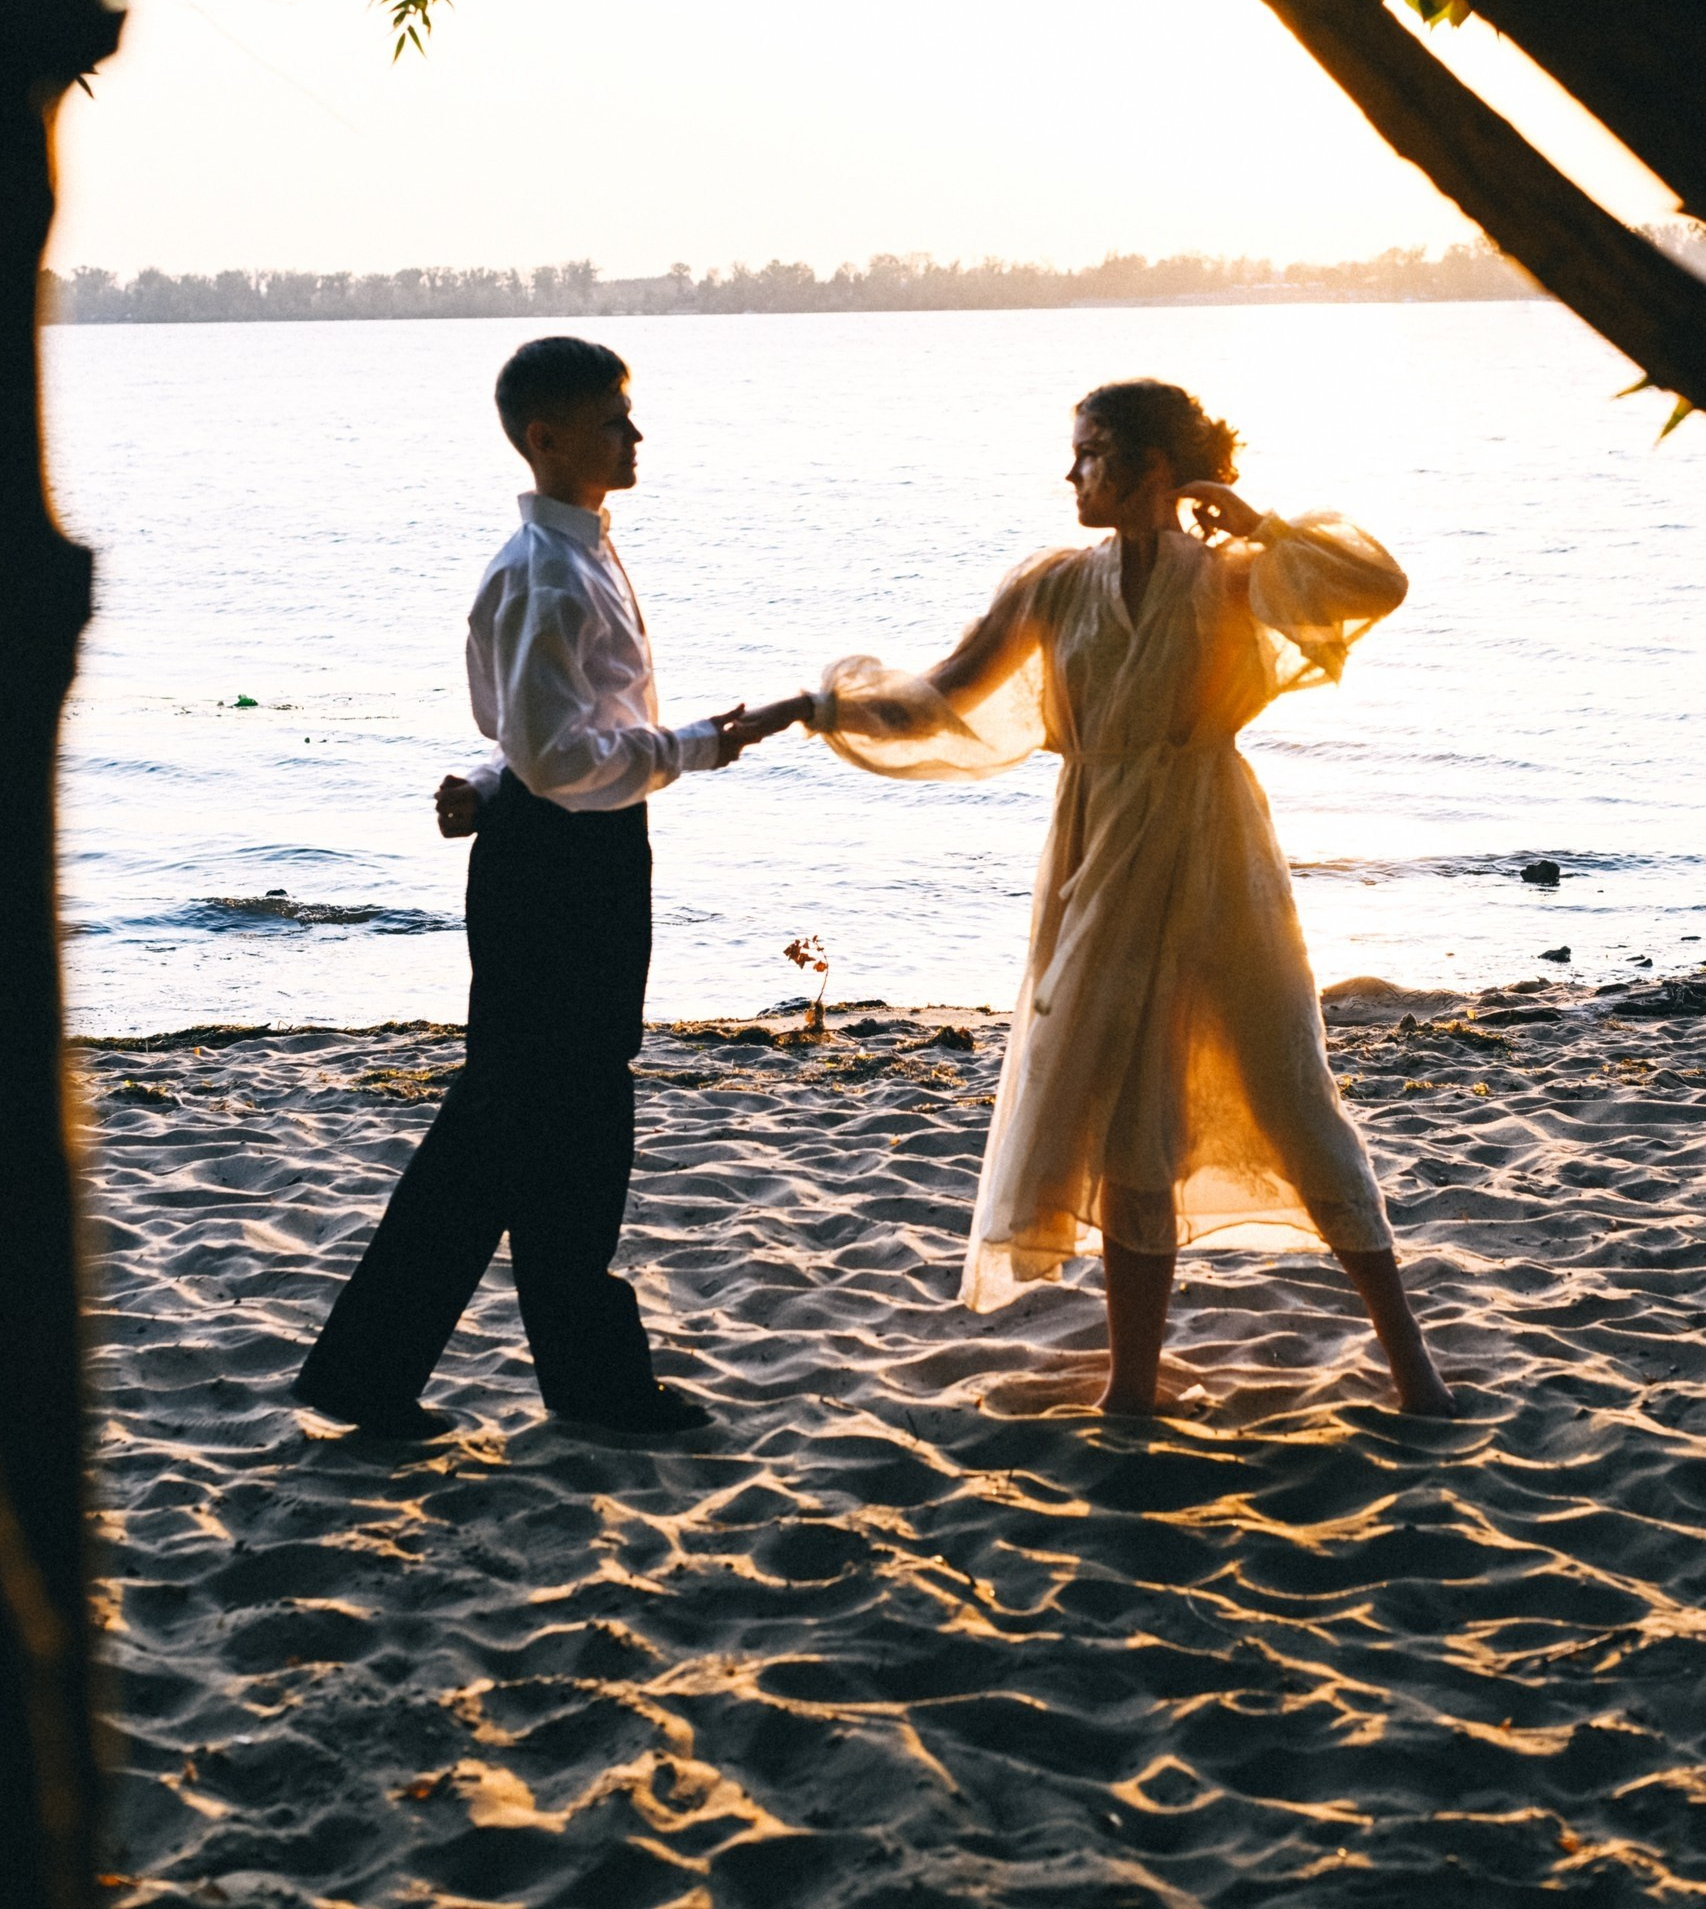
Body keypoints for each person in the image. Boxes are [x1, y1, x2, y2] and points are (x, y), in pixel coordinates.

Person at [806, 378, 1455, 1419]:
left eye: (1094, 453)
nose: (1073, 474)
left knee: (1288, 1089)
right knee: (1130, 1116)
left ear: (1154, 467)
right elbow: (942, 693)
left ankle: (1410, 1363)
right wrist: (825, 703)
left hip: (1212, 846)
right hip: (1097, 856)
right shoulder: (1053, 587)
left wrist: (1253, 519)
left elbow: (1375, 584)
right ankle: (1131, 1385)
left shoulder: (1239, 576)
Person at [294, 336, 806, 1439]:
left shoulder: (576, 555)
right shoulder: (544, 569)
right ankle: (579, 1387)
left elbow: (536, 740)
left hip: (564, 845)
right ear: (548, 438)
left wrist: (488, 780)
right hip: (564, 864)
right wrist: (705, 742)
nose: (635, 434)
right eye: (616, 418)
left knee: (520, 1125)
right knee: (555, 1118)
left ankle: (396, 1377)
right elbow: (560, 756)